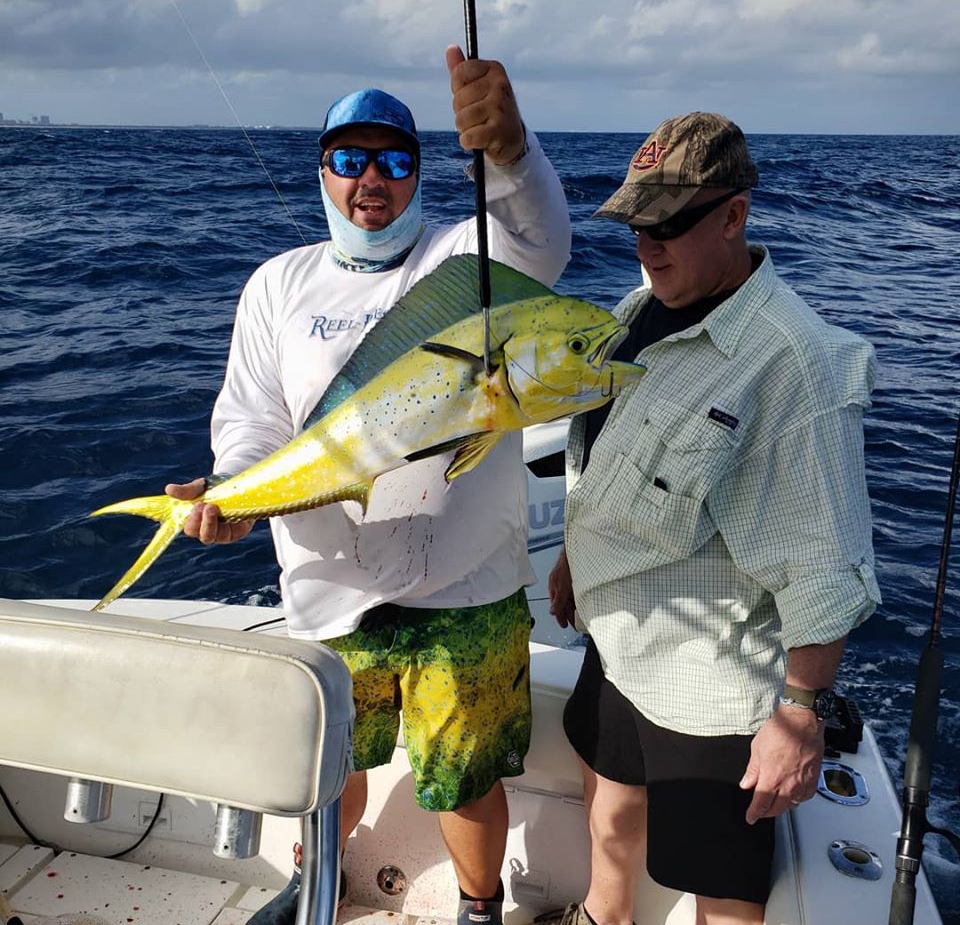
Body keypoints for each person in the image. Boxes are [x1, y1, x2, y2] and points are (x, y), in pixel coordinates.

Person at [166, 46, 571, 925]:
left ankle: (478, 906)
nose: (371, 178)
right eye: (350, 159)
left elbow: (540, 240)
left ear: (421, 172)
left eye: (394, 158)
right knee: (329, 766)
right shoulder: (278, 283)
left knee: (462, 775)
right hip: (328, 582)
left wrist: (510, 153)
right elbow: (250, 417)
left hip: (461, 580)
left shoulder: (466, 259)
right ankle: (319, 885)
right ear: (323, 173)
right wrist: (235, 490)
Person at [545, 112, 880, 925]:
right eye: (636, 224)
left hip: (712, 680)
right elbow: (605, 456)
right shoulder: (641, 308)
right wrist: (570, 560)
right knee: (610, 816)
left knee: (719, 885)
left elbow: (825, 564)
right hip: (619, 638)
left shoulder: (797, 364)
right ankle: (605, 918)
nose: (648, 245)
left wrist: (800, 713)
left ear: (734, 215)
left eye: (671, 223)